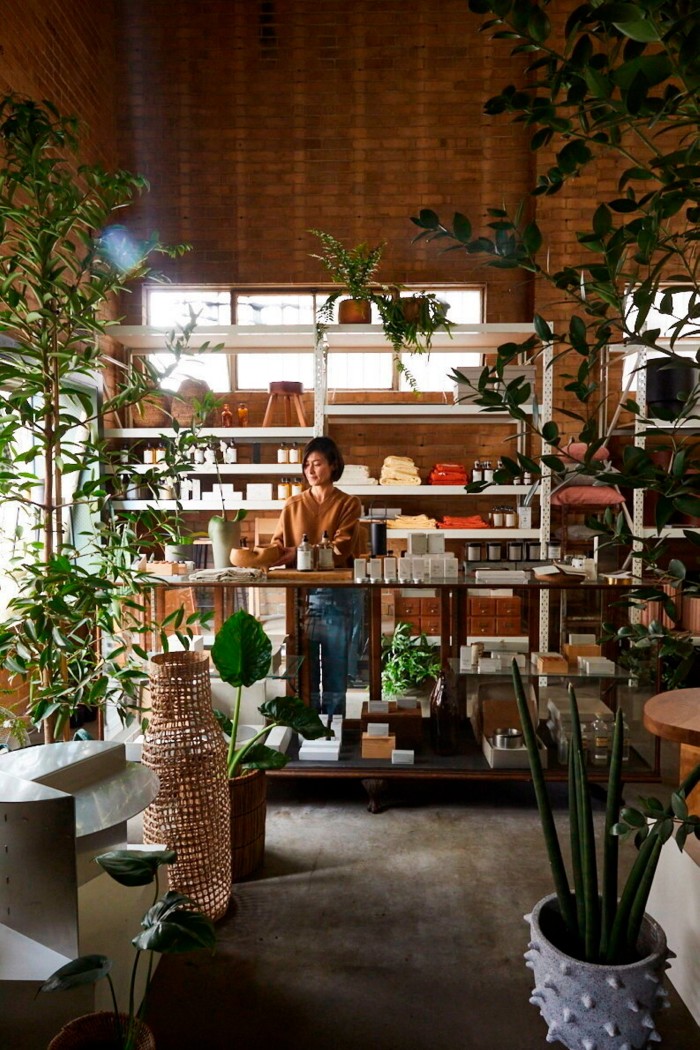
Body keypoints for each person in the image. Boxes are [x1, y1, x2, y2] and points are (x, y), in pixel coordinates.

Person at [272, 436, 364, 718]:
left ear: (333, 466)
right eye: (307, 465)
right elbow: (277, 547)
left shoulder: (348, 503)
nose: (311, 471)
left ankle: (333, 734)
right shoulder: (292, 505)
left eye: (318, 463)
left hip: (337, 595)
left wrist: (296, 553)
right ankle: (307, 733)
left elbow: (340, 550)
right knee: (304, 673)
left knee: (336, 675)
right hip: (299, 596)